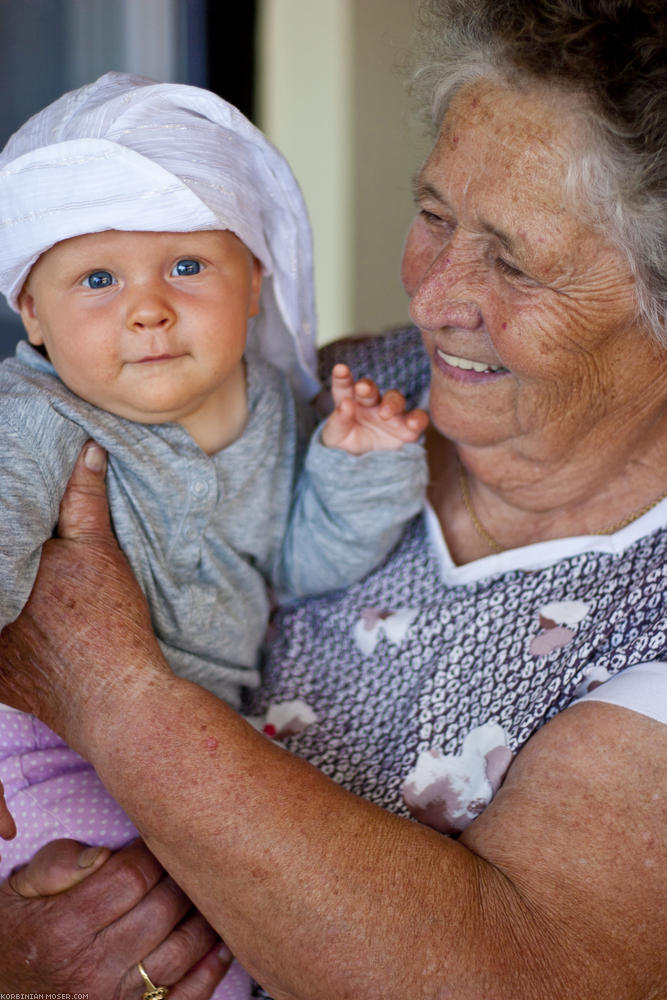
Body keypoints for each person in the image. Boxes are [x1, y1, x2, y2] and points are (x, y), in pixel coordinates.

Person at [0, 0, 666, 996]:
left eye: (514, 261)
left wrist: (108, 687)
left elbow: (514, 975)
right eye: (434, 215)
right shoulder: (334, 392)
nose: (432, 296)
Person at [0, 74, 427, 999]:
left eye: (187, 266)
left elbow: (298, 565)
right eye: (97, 279)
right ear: (31, 315)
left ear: (253, 284)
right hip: (33, 738)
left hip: (193, 743)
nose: (147, 308)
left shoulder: (273, 407)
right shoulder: (33, 420)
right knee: (138, 931)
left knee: (229, 944)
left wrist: (357, 466)